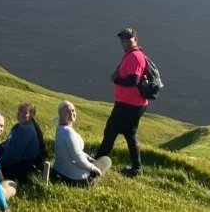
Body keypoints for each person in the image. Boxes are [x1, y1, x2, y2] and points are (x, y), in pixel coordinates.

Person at [94, 27, 150, 178]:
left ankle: (97, 162)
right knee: (128, 133)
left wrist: (116, 79)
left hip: (129, 105)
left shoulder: (135, 56)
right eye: (122, 38)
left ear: (135, 40)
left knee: (111, 131)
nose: (124, 41)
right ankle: (137, 168)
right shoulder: (131, 55)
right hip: (132, 104)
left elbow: (134, 80)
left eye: (128, 38)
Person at [52, 101, 112, 187]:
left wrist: (89, 158)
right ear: (60, 113)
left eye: (73, 110)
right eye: (67, 111)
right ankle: (93, 181)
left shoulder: (60, 128)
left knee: (95, 162)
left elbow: (76, 151)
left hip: (58, 173)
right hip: (76, 179)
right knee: (106, 160)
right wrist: (94, 169)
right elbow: (78, 157)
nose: (71, 113)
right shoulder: (68, 132)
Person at [0, 103, 47, 184]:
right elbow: (7, 143)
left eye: (25, 112)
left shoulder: (24, 131)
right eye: (20, 111)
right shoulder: (20, 126)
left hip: (19, 168)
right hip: (17, 161)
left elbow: (12, 158)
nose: (21, 114)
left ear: (32, 116)